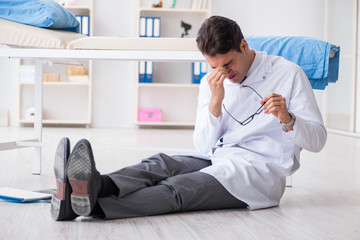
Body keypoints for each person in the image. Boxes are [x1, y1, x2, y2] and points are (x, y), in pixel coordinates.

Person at [51, 16, 327, 221]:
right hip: (218, 155)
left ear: (243, 45)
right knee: (159, 164)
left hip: (257, 174)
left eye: (228, 63)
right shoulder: (212, 82)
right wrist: (215, 103)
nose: (224, 72)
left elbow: (318, 141)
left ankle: (90, 206)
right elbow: (203, 146)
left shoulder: (289, 73)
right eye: (214, 66)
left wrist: (288, 118)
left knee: (178, 189)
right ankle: (92, 186)